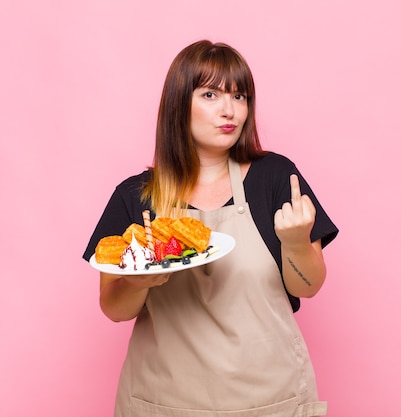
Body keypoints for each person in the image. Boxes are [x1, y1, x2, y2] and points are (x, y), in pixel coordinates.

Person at [83, 40, 338, 417]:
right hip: (164, 402)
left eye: (240, 96)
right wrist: (138, 282)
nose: (229, 110)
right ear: (178, 104)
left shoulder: (276, 177)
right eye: (210, 94)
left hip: (270, 400)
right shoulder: (136, 197)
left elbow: (308, 286)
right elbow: (113, 308)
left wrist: (297, 242)